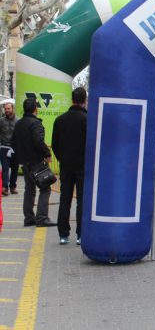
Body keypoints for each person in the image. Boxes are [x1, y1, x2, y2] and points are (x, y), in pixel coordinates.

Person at [11, 98, 56, 227]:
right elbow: (38, 141)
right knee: (45, 188)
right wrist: (47, 153)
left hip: (25, 162)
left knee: (29, 189)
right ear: (35, 109)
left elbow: (13, 142)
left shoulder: (19, 124)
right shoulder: (35, 124)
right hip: (36, 161)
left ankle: (29, 218)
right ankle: (42, 218)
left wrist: (21, 156)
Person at [51, 88, 87, 245]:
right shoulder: (87, 120)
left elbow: (55, 145)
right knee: (82, 200)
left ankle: (63, 234)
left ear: (72, 100)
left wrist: (62, 159)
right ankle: (81, 234)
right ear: (84, 100)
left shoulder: (60, 120)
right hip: (82, 166)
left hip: (65, 166)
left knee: (64, 199)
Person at [0, 102, 19, 196]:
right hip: (4, 148)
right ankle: (5, 187)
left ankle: (13, 186)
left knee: (15, 168)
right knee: (5, 168)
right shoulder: (1, 121)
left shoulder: (18, 120)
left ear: (12, 109)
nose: (7, 110)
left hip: (15, 148)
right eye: (5, 109)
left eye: (8, 108)